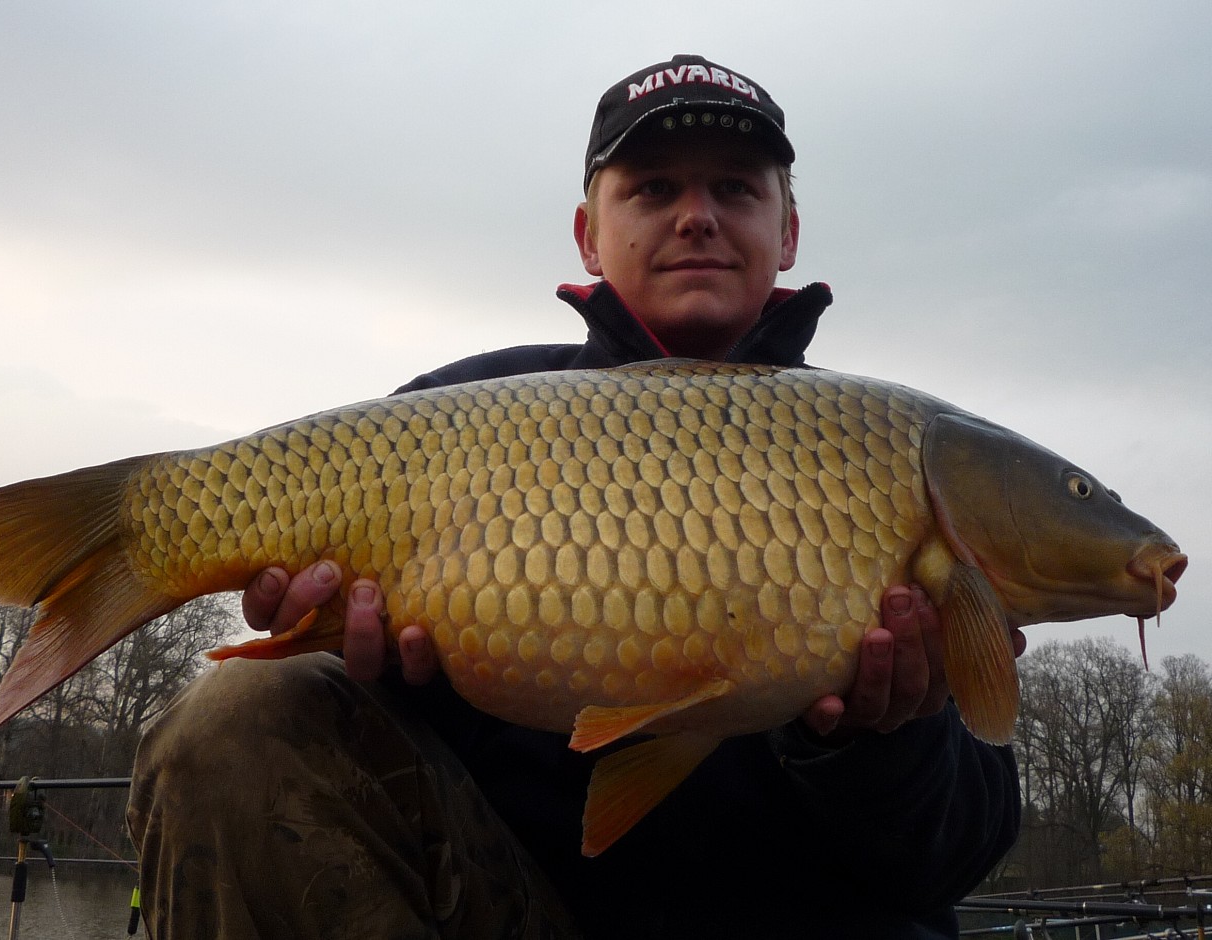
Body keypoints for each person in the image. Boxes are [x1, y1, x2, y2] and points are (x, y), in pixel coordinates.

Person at [127, 54, 1023, 939]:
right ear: (589, 234)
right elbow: (390, 756)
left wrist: (875, 739)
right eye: (654, 188)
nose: (698, 216)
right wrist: (388, 672)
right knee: (239, 717)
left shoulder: (883, 451)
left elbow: (948, 864)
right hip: (523, 912)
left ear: (787, 232)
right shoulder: (458, 410)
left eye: (736, 189)